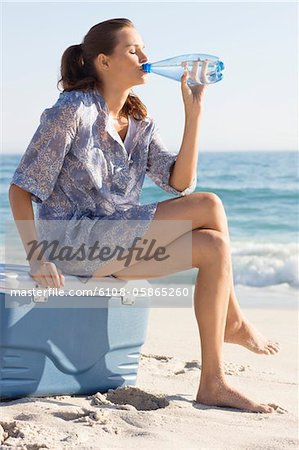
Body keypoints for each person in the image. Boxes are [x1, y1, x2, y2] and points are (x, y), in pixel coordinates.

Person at [9, 18, 279, 413]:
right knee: (211, 205)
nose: (146, 57)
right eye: (134, 50)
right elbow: (21, 188)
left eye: (144, 49)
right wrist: (36, 256)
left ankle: (213, 381)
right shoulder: (72, 111)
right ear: (103, 61)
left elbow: (180, 183)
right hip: (73, 244)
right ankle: (233, 322)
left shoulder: (140, 120)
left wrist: (195, 112)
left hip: (119, 244)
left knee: (213, 245)